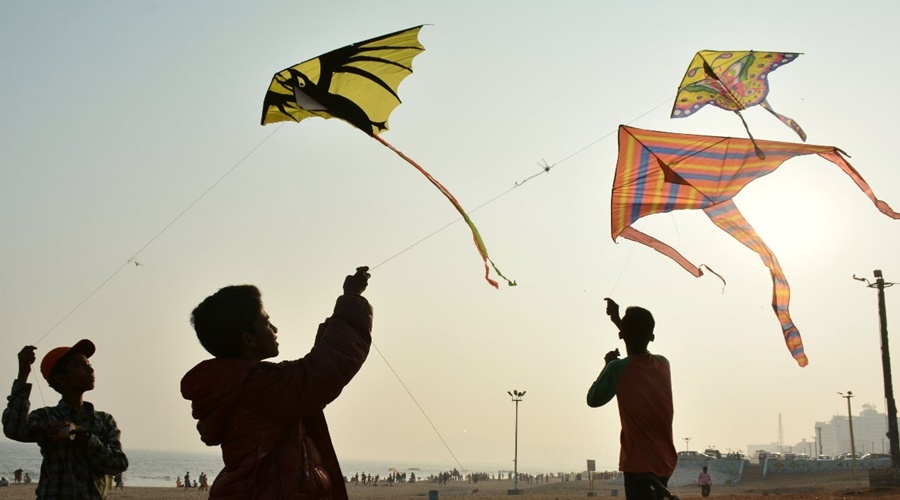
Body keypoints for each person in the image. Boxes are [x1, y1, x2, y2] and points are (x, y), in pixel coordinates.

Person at [181, 266, 373, 499]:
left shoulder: (244, 386)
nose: (274, 329)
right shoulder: (258, 386)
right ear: (249, 340)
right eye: (266, 324)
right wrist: (352, 298)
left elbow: (308, 378)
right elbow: (327, 368)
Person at [2, 340, 129, 499]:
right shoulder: (46, 417)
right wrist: (23, 375)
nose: (90, 368)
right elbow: (13, 428)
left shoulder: (104, 420)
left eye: (88, 363)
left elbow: (119, 464)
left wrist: (84, 437)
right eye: (79, 365)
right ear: (61, 379)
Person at [586, 299, 677, 500]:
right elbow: (637, 339)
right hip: (664, 462)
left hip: (638, 464)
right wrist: (618, 321)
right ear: (652, 337)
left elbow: (592, 399)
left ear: (621, 335)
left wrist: (607, 365)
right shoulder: (663, 364)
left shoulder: (617, 369)